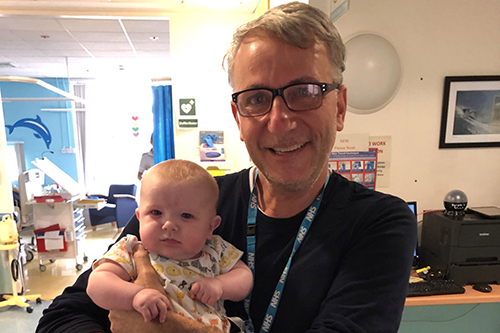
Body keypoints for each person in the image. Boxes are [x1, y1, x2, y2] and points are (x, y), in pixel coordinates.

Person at [36, 2, 417, 333]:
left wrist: (173, 329)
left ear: (339, 106)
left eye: (305, 91)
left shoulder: (379, 223)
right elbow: (62, 317)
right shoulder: (190, 199)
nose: (279, 120)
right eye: (257, 98)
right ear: (238, 116)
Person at [87, 159, 253, 332]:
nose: (169, 225)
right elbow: (97, 284)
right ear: (139, 217)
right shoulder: (131, 249)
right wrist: (135, 295)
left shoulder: (215, 249)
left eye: (186, 216)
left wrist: (220, 285)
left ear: (210, 227)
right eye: (156, 212)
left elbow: (244, 277)